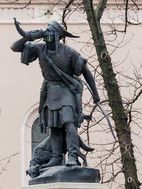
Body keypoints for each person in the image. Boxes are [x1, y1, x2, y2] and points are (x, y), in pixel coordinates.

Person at [12, 19, 101, 170]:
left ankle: (72, 155)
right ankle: (56, 156)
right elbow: (15, 47)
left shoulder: (69, 52)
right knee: (53, 127)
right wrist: (29, 36)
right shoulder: (40, 49)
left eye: (50, 31)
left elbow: (85, 72)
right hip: (50, 91)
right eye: (46, 30)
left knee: (69, 123)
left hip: (66, 90)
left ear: (57, 35)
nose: (47, 33)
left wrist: (95, 94)